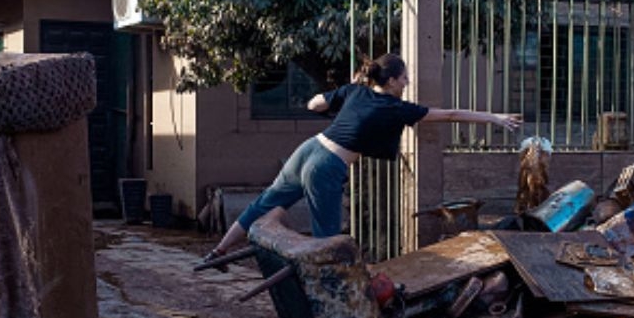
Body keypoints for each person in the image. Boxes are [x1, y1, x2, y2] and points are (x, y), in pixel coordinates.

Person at [201, 53, 520, 265]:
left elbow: (314, 105)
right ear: (392, 80)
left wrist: (336, 98)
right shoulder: (397, 108)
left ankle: (218, 252)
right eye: (405, 77)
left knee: (263, 205)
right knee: (325, 240)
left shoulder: (355, 91)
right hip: (326, 166)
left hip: (307, 149)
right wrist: (495, 118)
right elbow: (450, 114)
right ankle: (326, 300)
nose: (407, 82)